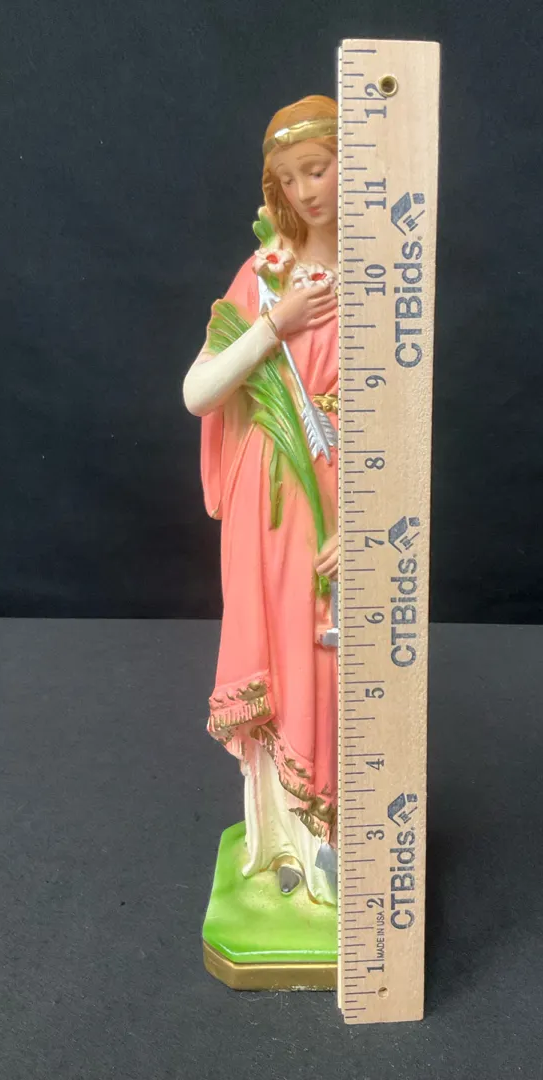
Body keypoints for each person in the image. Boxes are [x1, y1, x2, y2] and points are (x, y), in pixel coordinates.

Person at [182, 95, 340, 905]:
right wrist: (276, 323)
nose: (307, 191)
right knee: (279, 655)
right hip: (268, 496)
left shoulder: (389, 281)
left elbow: (405, 418)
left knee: (333, 656)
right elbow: (199, 392)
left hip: (344, 494)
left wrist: (372, 522)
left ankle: (338, 834)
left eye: (319, 169)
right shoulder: (268, 273)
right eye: (291, 177)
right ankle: (284, 839)